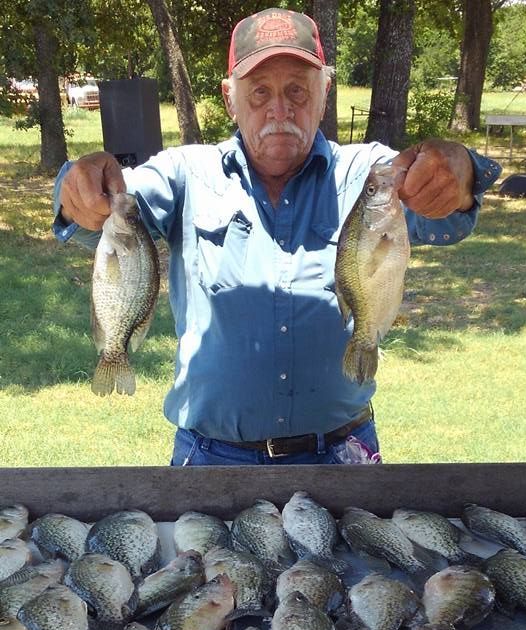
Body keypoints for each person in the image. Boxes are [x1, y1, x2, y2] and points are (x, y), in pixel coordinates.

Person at [53, 7, 501, 467]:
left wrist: (460, 170)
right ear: (230, 99)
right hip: (211, 458)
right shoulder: (186, 173)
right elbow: (106, 213)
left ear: (324, 94)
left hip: (342, 454)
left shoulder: (368, 176)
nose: (279, 110)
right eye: (260, 92)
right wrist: (77, 189)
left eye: (297, 91)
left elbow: (448, 214)